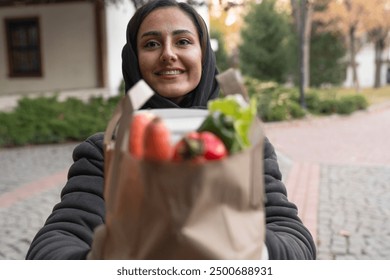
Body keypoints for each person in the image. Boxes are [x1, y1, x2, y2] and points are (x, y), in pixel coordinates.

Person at [25, 0, 316, 260]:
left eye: (183, 41)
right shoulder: (106, 150)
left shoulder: (242, 141)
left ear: (204, 55)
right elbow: (51, 246)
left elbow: (296, 241)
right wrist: (100, 259)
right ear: (133, 61)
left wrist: (251, 244)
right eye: (151, 44)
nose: (168, 54)